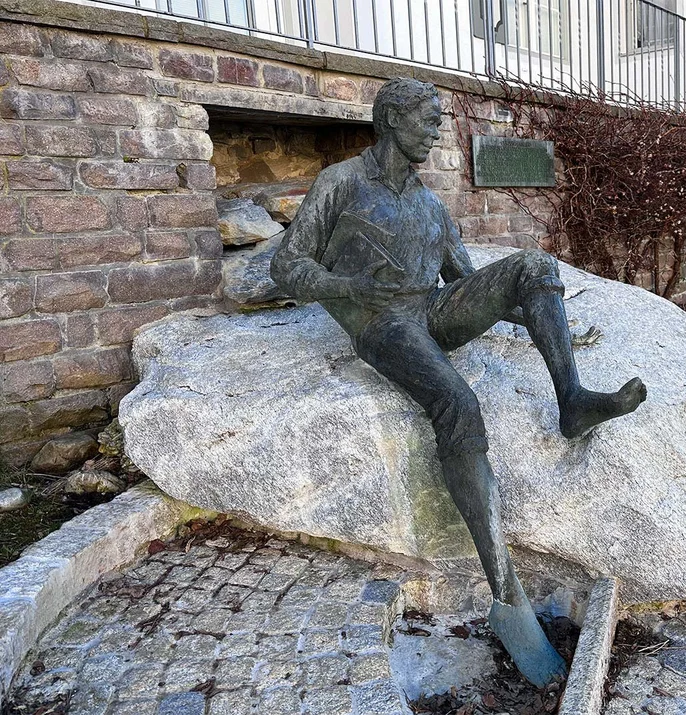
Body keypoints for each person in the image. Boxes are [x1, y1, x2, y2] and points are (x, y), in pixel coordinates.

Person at [271, 77, 646, 687]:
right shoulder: (340, 184)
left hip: (432, 312)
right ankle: (506, 594)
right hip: (382, 323)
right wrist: (350, 289)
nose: (437, 129)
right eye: (427, 119)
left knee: (532, 265)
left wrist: (547, 317)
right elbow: (285, 265)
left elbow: (474, 287)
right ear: (392, 120)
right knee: (459, 402)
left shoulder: (430, 206)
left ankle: (572, 398)